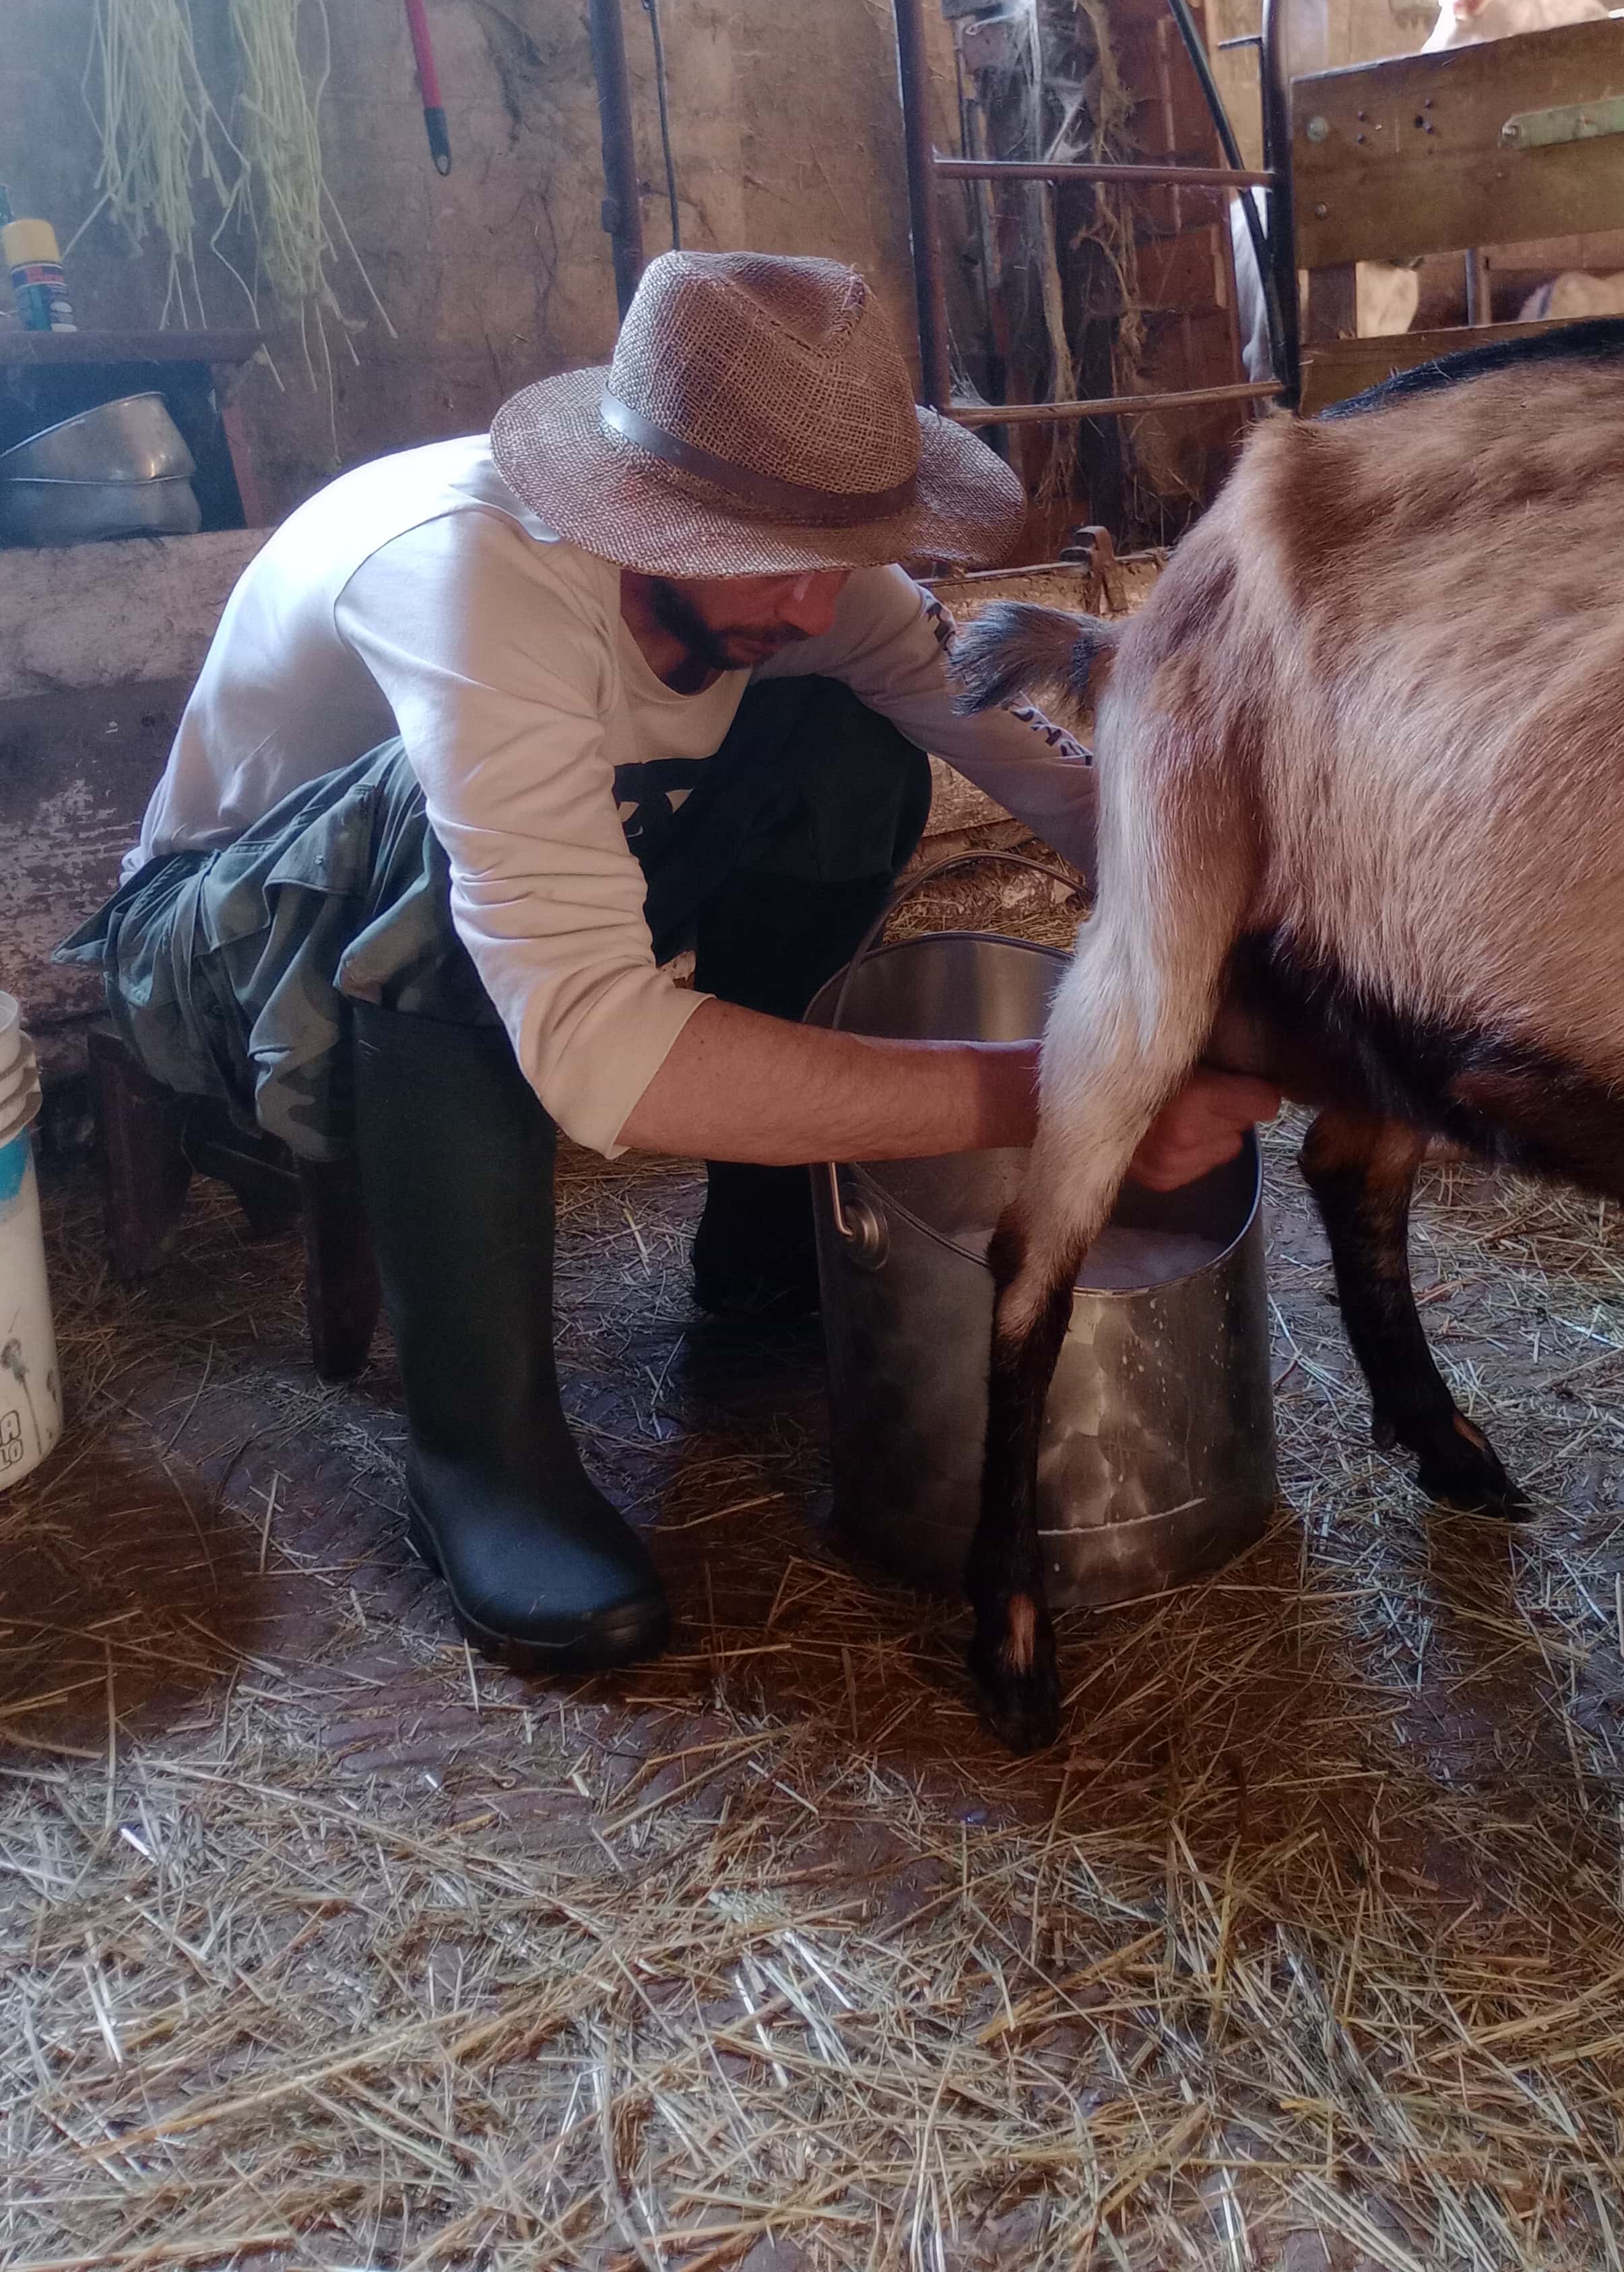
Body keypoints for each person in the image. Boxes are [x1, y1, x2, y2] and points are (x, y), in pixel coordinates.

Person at [60, 252, 1274, 1672]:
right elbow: (596, 1049)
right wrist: (1078, 1089)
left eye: (847, 549)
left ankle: (763, 1252)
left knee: (853, 750)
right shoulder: (470, 579)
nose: (819, 602)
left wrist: (1254, 945)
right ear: (642, 510)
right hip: (226, 959)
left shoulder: (809, 585)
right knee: (438, 849)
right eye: (773, 554)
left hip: (495, 913)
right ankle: (479, 1451)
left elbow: (1052, 782)